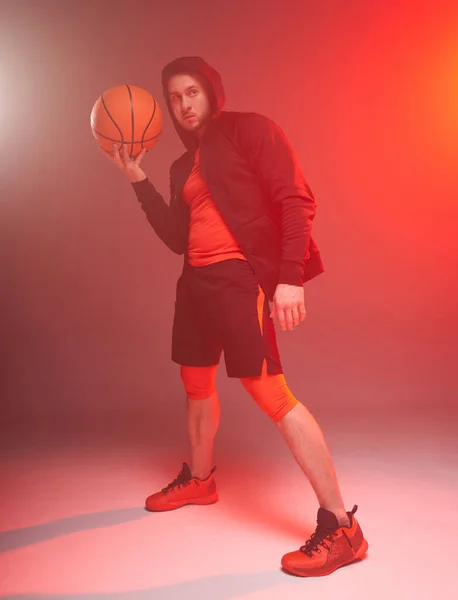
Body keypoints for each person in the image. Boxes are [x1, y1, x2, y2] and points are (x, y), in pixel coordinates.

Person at [102, 56, 368, 577]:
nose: (182, 106)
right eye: (174, 98)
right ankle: (201, 480)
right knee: (195, 382)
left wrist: (288, 276)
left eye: (191, 93)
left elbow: (296, 199)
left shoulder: (249, 130)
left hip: (239, 279)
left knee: (269, 391)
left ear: (210, 91)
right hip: (195, 283)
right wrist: (137, 178)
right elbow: (177, 237)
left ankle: (343, 527)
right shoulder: (183, 167)